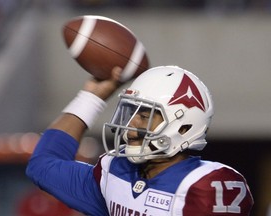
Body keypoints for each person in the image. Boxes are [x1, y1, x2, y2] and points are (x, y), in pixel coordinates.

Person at [26, 65, 254, 215]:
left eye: (144, 116)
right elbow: (43, 165)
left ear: (183, 126)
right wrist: (92, 97)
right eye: (130, 113)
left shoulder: (207, 186)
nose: (131, 125)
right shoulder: (115, 173)